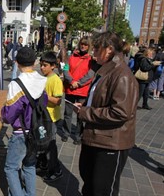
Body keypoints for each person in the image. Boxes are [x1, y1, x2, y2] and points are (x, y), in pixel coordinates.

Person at [74, 31, 139, 196]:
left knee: (102, 189)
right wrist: (85, 104)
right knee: (89, 184)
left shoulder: (122, 75)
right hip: (96, 138)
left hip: (110, 142)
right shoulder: (106, 70)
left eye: (96, 48)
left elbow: (120, 112)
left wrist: (86, 112)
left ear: (109, 49)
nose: (92, 52)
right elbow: (100, 98)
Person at [1, 47, 47, 196]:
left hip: (21, 133)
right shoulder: (42, 80)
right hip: (35, 130)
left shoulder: (16, 84)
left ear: (16, 63)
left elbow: (9, 116)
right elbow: (43, 105)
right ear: (35, 62)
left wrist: (2, 111)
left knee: (11, 168)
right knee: (29, 165)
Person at [62, 36, 93, 145]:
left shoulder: (91, 60)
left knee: (80, 115)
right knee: (67, 113)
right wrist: (71, 81)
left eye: (86, 44)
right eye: (82, 44)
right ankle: (66, 133)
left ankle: (78, 136)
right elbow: (65, 69)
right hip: (70, 89)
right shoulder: (71, 57)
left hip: (82, 91)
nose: (83, 46)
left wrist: (79, 83)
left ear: (89, 46)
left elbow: (90, 75)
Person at [38, 51, 63, 182]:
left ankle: (56, 170)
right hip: (43, 116)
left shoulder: (56, 80)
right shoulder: (44, 78)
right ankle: (43, 164)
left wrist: (44, 96)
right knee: (42, 142)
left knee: (50, 145)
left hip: (51, 118)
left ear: (53, 66)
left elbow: (58, 101)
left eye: (45, 65)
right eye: (41, 65)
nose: (42, 67)